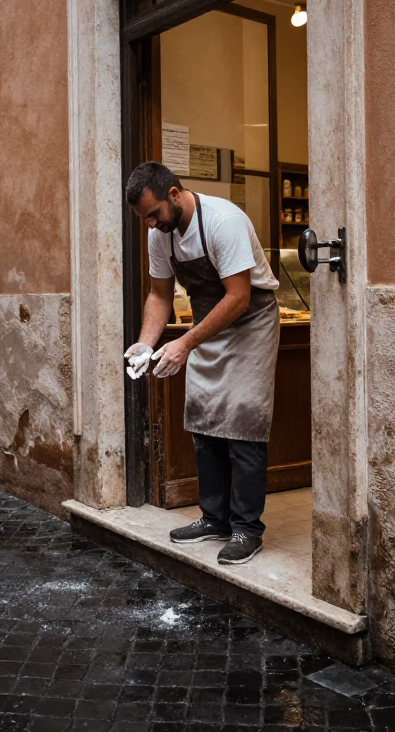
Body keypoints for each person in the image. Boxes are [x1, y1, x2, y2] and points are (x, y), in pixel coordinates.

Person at [124, 161, 280, 565]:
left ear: (174, 194)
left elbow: (239, 296)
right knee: (203, 417)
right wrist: (146, 344)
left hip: (250, 322)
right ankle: (214, 518)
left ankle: (247, 529)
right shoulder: (160, 234)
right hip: (208, 323)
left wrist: (185, 343)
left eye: (154, 213)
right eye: (145, 218)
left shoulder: (224, 220)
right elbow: (160, 295)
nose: (151, 224)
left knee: (243, 421)